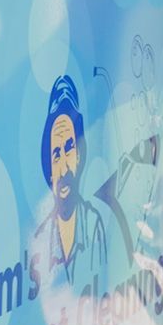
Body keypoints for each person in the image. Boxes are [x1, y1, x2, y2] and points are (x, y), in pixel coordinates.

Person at [34, 74, 107, 290]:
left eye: (69, 148)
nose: (64, 167)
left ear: (78, 156)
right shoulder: (40, 240)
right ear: (49, 168)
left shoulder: (93, 224)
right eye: (56, 154)